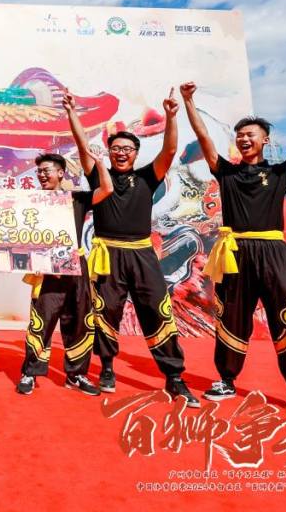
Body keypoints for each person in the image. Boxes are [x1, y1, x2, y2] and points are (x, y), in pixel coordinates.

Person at [182, 75, 286, 404]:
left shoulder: (281, 173)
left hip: (274, 253)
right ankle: (226, 380)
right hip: (235, 253)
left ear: (265, 140)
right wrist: (189, 101)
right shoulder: (226, 172)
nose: (244, 139)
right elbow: (203, 137)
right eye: (240, 135)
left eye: (250, 134)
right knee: (231, 316)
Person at [72, 87, 198, 406]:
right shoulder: (99, 177)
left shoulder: (147, 177)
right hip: (107, 254)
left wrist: (171, 116)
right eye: (116, 148)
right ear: (109, 151)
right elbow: (82, 147)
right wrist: (72, 113)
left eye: (127, 148)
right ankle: (107, 368)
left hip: (142, 254)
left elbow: (170, 150)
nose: (121, 152)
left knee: (158, 310)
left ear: (136, 153)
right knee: (105, 313)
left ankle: (174, 377)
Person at [17, 93, 114, 396]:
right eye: (39, 171)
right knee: (41, 321)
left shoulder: (77, 198)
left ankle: (77, 374)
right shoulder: (31, 202)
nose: (42, 175)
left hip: (76, 266)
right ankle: (30, 372)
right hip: (45, 268)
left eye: (47, 171)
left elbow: (107, 189)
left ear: (61, 173)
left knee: (80, 320)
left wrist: (99, 162)